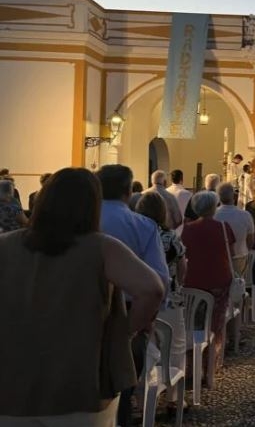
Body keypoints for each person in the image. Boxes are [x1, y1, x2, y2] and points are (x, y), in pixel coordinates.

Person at [0, 168, 164, 425]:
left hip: (12, 386)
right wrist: (125, 332)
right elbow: (152, 289)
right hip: (78, 381)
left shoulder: (5, 245)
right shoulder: (101, 248)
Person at [97, 164, 169, 427]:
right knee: (121, 390)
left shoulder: (82, 222)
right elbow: (159, 281)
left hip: (77, 315)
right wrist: (132, 327)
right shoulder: (143, 225)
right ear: (128, 192)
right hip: (127, 313)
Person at [134, 191, 187, 405]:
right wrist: (179, 284)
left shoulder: (134, 233)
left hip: (139, 297)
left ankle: (142, 394)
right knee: (175, 344)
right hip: (169, 297)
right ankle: (174, 397)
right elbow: (181, 265)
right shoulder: (170, 237)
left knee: (142, 347)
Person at [181, 191, 235, 373]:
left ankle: (190, 364)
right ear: (214, 207)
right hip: (218, 281)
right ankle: (211, 363)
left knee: (192, 323)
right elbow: (232, 255)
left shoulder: (186, 229)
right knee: (216, 323)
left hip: (192, 281)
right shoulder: (223, 228)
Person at [215, 182, 255, 274]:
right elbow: (250, 241)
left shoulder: (212, 214)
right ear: (234, 196)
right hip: (240, 257)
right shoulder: (245, 215)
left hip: (217, 258)